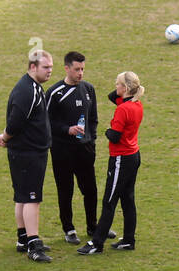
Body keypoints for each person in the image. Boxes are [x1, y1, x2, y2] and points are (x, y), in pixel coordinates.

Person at [45, 51, 114, 246]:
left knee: (90, 190)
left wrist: (91, 140)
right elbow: (46, 121)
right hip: (62, 151)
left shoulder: (88, 89)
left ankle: (93, 226)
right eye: (77, 69)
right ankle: (69, 229)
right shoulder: (55, 92)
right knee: (65, 191)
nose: (80, 73)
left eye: (83, 69)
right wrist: (67, 130)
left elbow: (93, 118)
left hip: (84, 150)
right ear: (66, 68)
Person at [0, 50, 54, 262]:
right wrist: (6, 136)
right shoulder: (29, 92)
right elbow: (16, 121)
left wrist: (7, 138)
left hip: (25, 151)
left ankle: (23, 239)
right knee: (32, 199)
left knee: (22, 197)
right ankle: (33, 245)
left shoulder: (31, 87)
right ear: (32, 67)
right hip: (29, 153)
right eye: (45, 67)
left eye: (50, 68)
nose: (49, 71)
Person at [77, 71, 144, 254]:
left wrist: (106, 131)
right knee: (128, 200)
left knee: (109, 201)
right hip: (133, 156)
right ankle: (129, 239)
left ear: (126, 88)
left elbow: (114, 136)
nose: (115, 87)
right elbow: (112, 97)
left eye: (118, 84)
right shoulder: (136, 105)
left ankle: (97, 243)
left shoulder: (123, 109)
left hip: (120, 159)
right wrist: (122, 89)